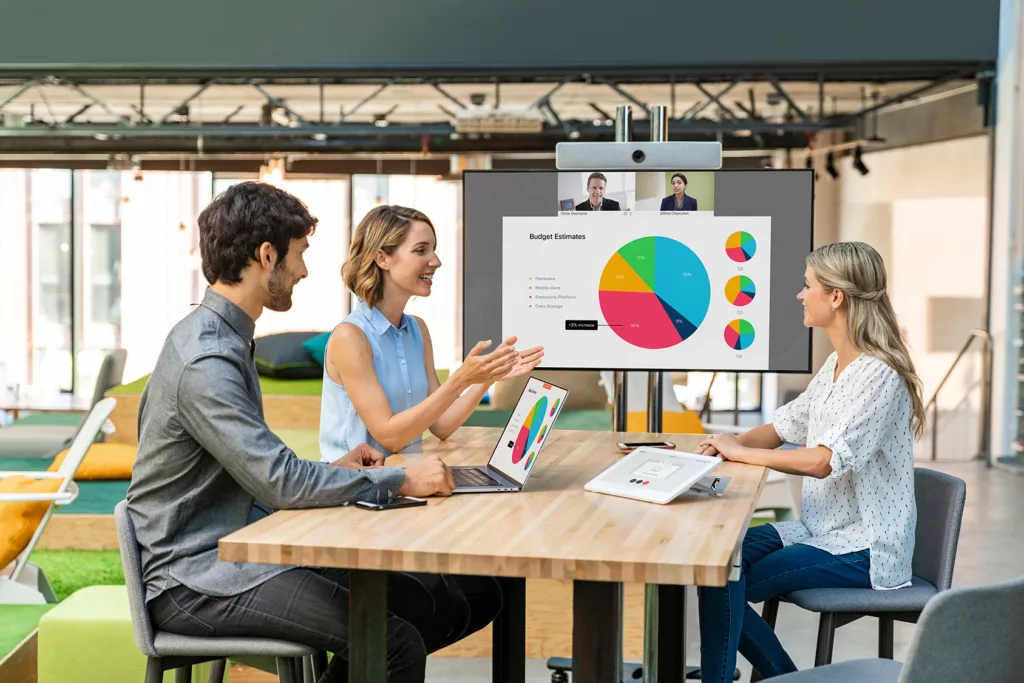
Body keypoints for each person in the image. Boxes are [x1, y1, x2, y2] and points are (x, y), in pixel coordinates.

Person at [126, 182, 469, 683]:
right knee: (394, 644)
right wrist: (398, 481)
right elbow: (279, 482)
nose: (305, 271)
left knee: (428, 600)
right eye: (299, 255)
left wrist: (334, 470)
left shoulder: (225, 339)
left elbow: (262, 467)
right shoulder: (206, 358)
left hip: (239, 549)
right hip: (196, 579)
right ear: (266, 256)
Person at [693, 241, 924, 682]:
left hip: (865, 548)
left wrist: (741, 452)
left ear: (836, 297)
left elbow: (822, 462)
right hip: (820, 529)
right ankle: (786, 677)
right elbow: (783, 428)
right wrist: (726, 443)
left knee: (723, 581)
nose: (800, 295)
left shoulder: (879, 375)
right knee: (718, 564)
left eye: (807, 285)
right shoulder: (837, 365)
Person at [319, 203, 544, 654]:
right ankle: (372, 664)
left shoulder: (416, 328)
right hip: (357, 505)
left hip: (405, 495)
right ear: (383, 257)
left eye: (434, 250)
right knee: (444, 604)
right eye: (421, 250)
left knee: (485, 594)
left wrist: (486, 380)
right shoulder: (350, 337)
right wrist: (461, 379)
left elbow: (438, 424)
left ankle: (384, 660)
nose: (435, 262)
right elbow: (390, 434)